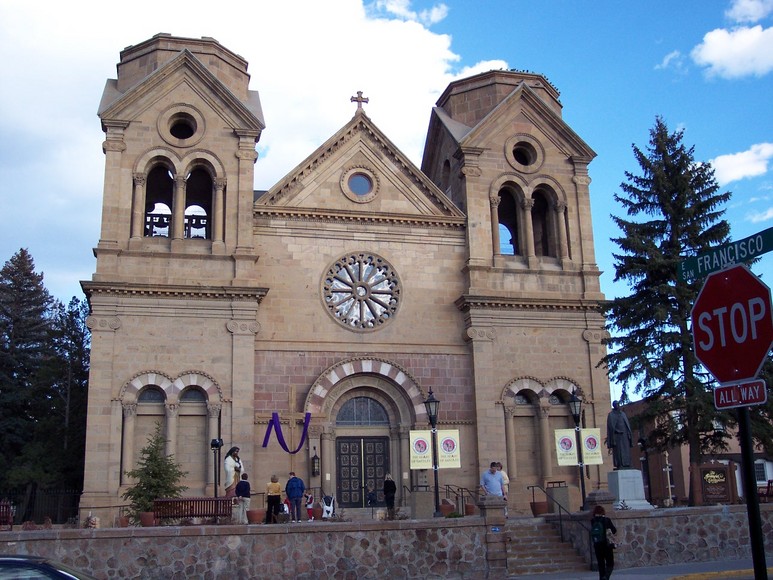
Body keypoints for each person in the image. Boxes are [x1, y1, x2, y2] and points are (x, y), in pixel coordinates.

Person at [590, 505, 617, 580]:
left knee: (601, 564)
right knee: (610, 563)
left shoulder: (593, 521)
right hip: (607, 544)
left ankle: (601, 578)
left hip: (597, 544)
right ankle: (606, 577)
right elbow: (614, 530)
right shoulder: (607, 520)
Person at [606, 401, 633, 469]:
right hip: (617, 436)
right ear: (614, 406)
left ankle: (627, 464)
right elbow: (611, 426)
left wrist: (629, 434)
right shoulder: (611, 415)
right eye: (616, 404)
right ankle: (620, 464)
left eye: (618, 404)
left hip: (625, 435)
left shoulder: (623, 414)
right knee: (619, 451)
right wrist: (616, 431)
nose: (617, 406)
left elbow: (627, 425)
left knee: (626, 450)